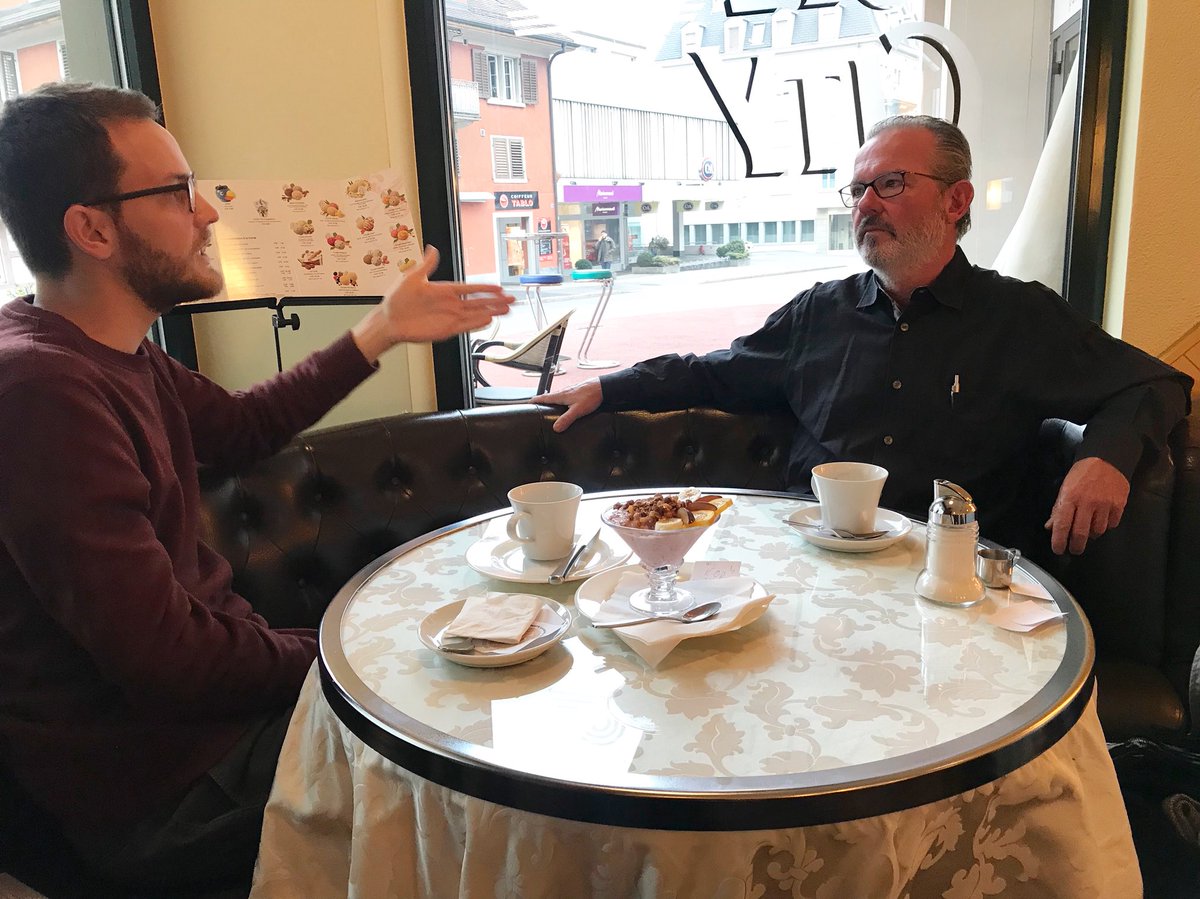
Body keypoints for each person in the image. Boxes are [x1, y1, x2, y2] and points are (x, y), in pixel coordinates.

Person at [0, 82, 513, 890]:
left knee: (481, 719)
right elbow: (164, 658)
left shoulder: (112, 351)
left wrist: (382, 327)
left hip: (216, 728)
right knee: (486, 789)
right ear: (91, 228)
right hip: (166, 789)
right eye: (178, 192)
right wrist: (347, 664)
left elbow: (239, 431)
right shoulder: (38, 390)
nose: (207, 214)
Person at [535, 115, 1191, 557]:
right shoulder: (819, 313)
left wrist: (1106, 454)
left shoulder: (1018, 318)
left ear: (956, 201)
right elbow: (713, 371)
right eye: (858, 189)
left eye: (891, 183)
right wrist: (607, 387)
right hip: (812, 571)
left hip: (953, 585)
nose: (865, 204)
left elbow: (1154, 384)